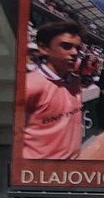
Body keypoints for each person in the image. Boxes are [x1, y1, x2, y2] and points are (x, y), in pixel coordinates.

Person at [22, 20, 85, 161]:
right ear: (44, 48)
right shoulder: (29, 85)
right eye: (66, 46)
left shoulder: (75, 82)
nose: (75, 53)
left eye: (78, 48)